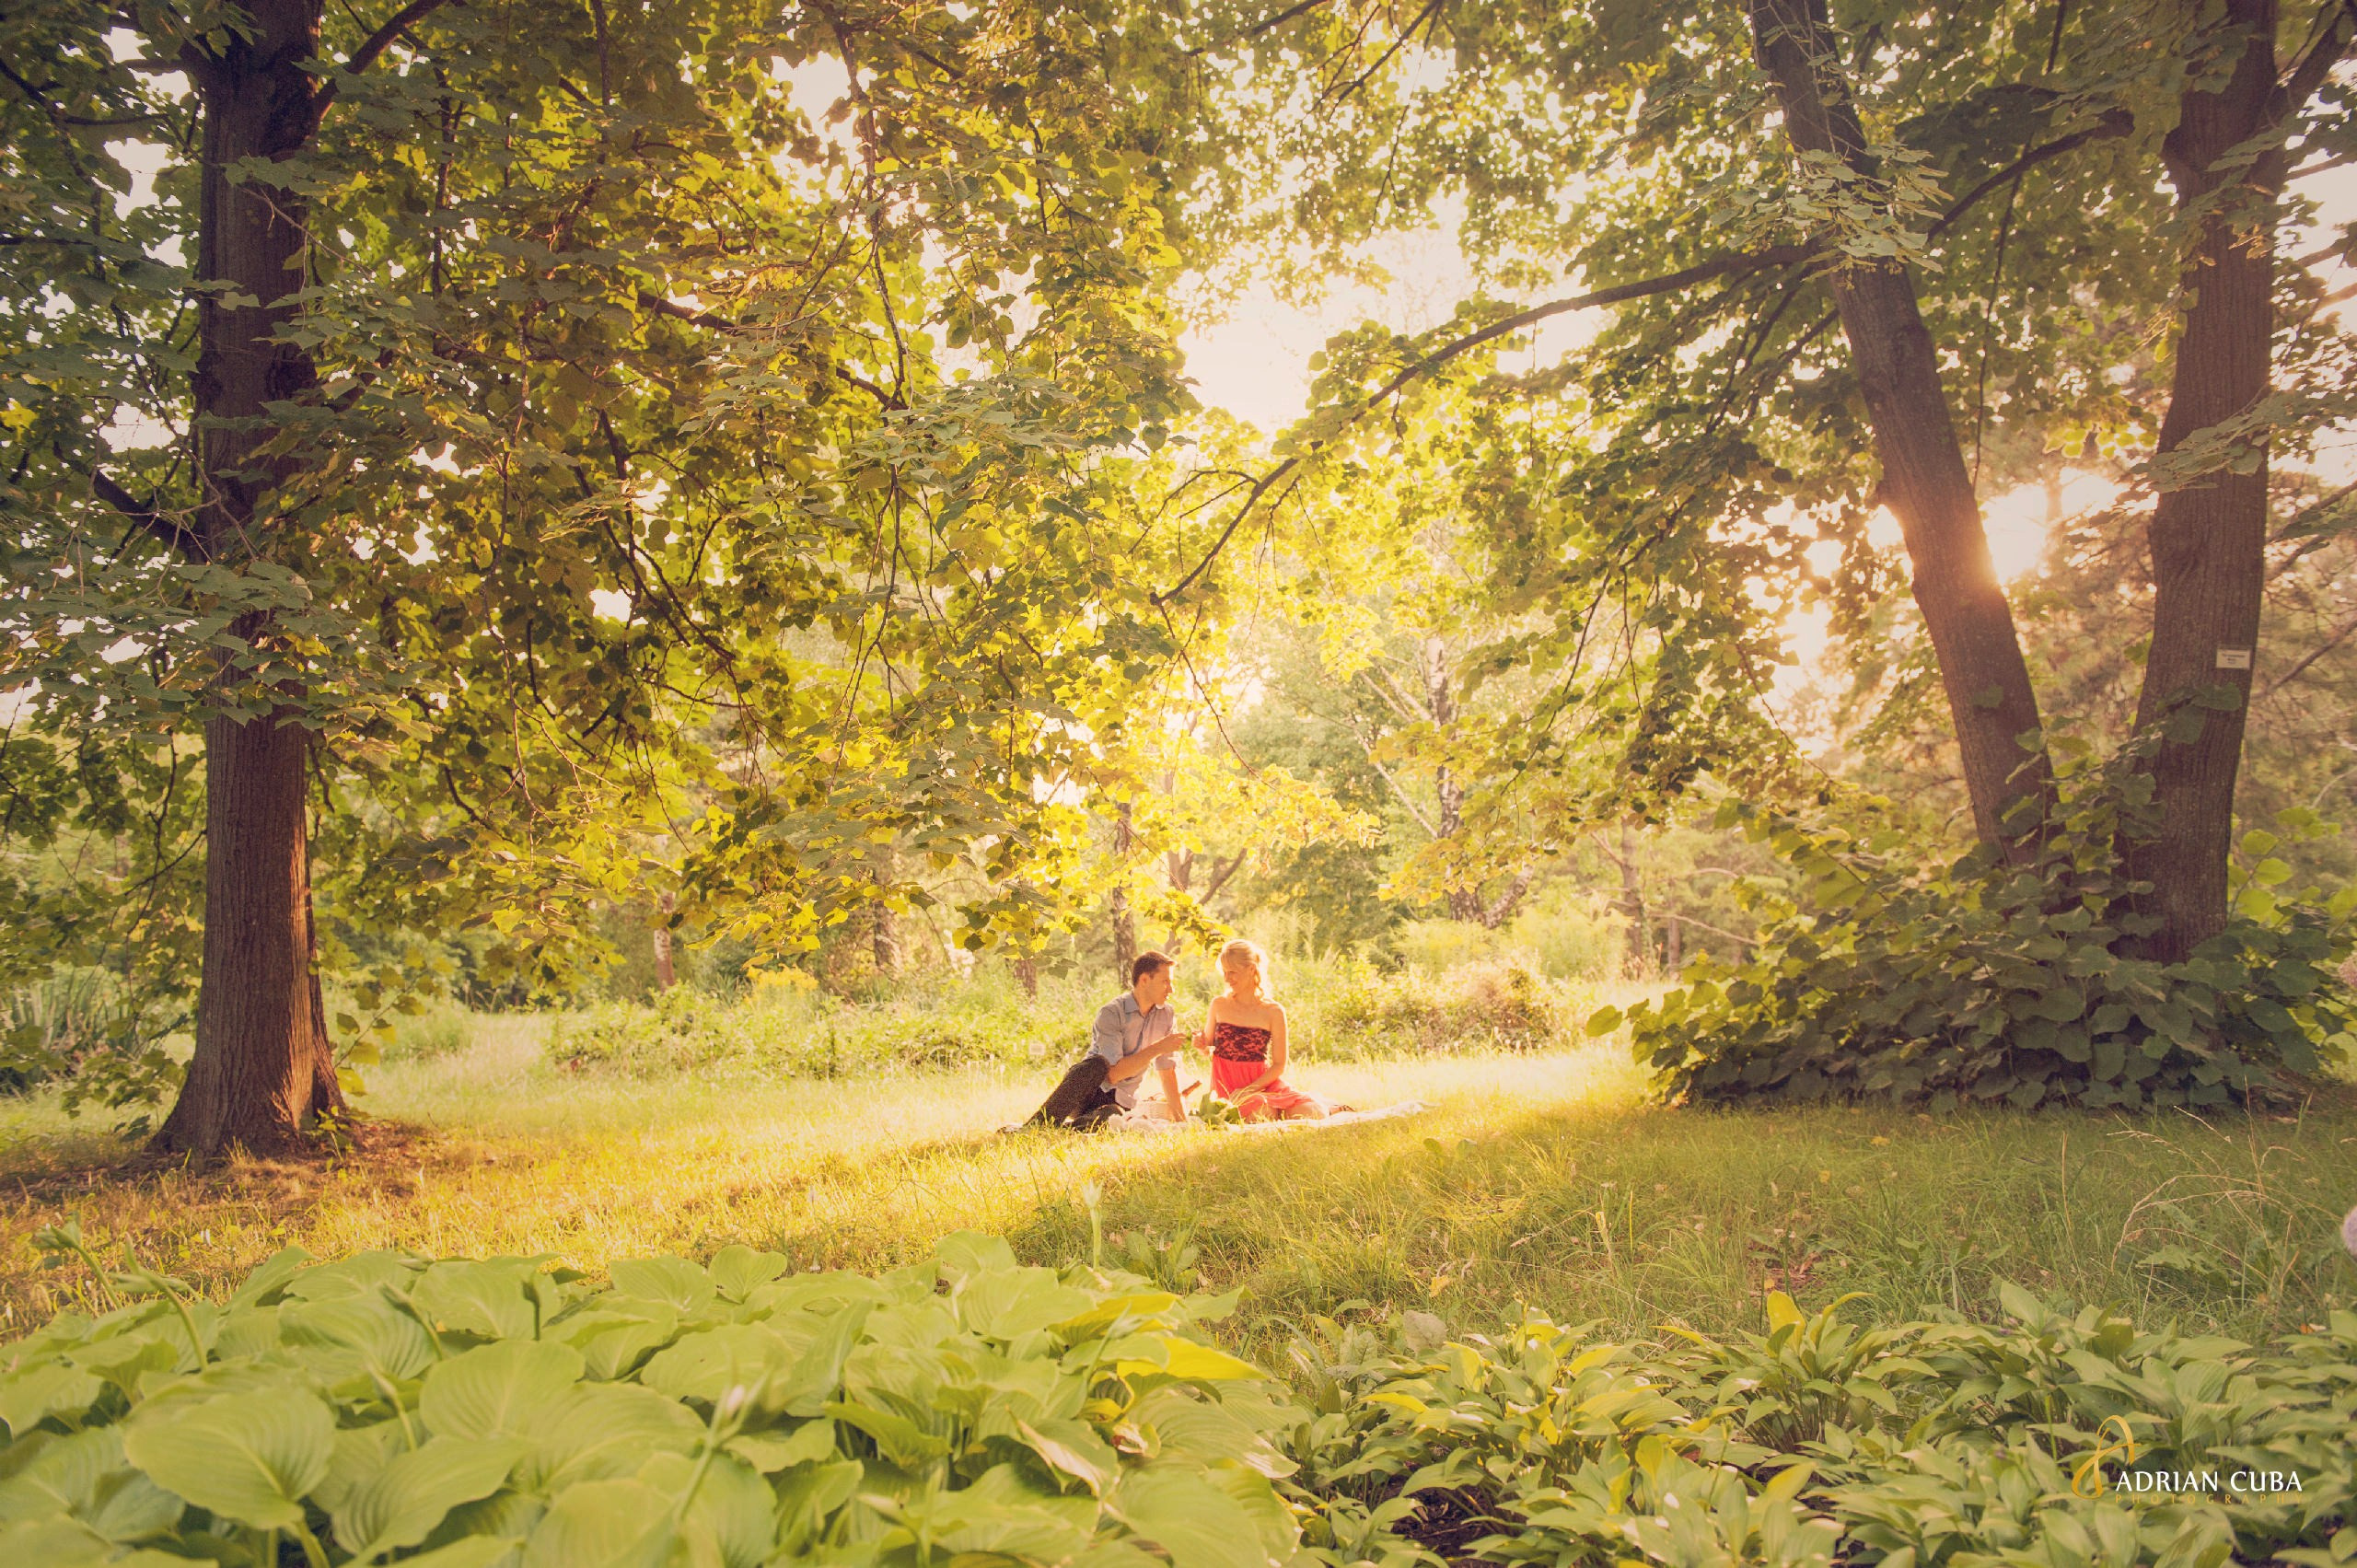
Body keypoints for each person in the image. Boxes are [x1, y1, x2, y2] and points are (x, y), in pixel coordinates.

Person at [1024, 951, 1196, 1129]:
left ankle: (1069, 1128)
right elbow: (1113, 1075)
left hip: (1121, 1101)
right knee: (1097, 1064)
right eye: (1165, 981)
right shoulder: (1112, 1012)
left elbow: (1167, 1073)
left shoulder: (1166, 1015)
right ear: (1144, 980)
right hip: (1087, 1091)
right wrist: (1158, 1048)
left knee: (1112, 1115)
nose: (1171, 989)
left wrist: (1183, 1123)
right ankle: (1035, 1126)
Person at [1202, 939, 1330, 1121]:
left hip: (1261, 1084)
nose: (1226, 978)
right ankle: (1276, 1111)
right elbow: (1206, 1046)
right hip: (1228, 1086)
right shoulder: (1219, 1004)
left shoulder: (1274, 1011)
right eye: (1224, 972)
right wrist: (1200, 1045)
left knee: (1313, 1112)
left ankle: (1318, 1105)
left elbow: (1279, 1064)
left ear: (1251, 969)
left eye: (1232, 972)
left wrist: (1248, 1090)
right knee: (1261, 1113)